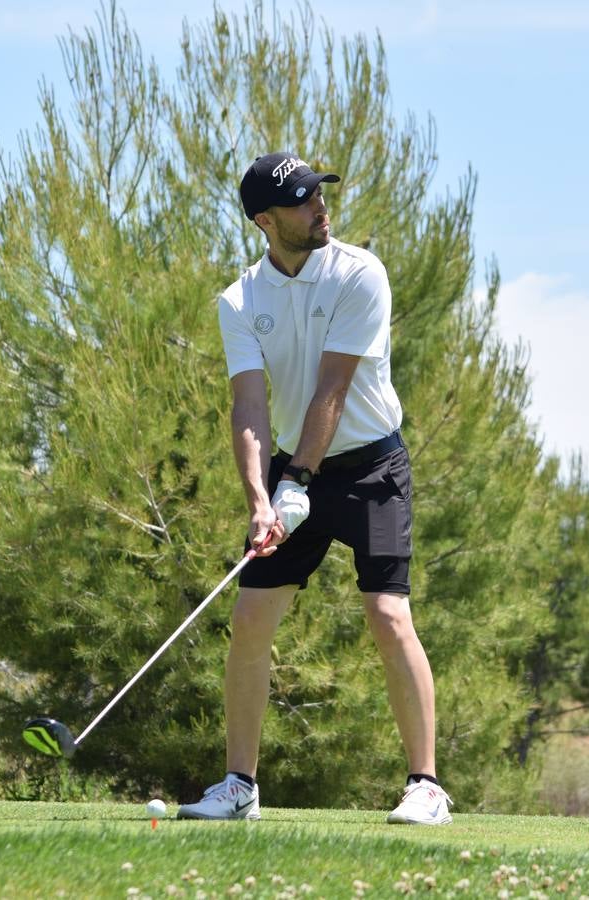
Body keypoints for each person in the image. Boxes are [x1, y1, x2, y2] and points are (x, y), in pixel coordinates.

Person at [177, 152, 452, 825]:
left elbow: (335, 387)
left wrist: (298, 478)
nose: (319, 209)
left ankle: (426, 786)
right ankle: (239, 786)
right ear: (265, 221)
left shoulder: (360, 274)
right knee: (249, 617)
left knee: (387, 614)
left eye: (319, 195)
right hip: (292, 471)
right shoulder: (240, 300)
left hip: (372, 469)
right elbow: (249, 407)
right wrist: (260, 500)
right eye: (302, 202)